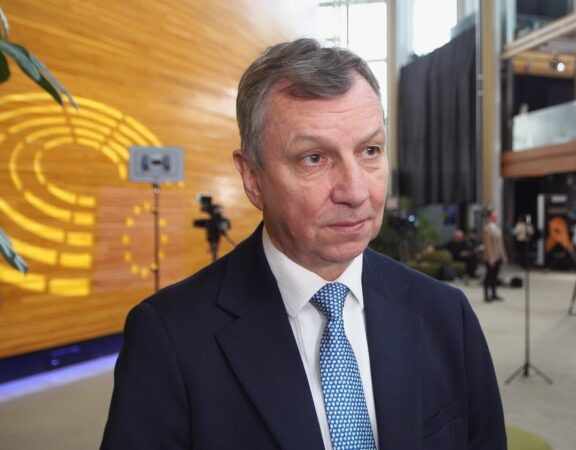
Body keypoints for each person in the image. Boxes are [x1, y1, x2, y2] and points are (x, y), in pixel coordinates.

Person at [101, 39, 506, 450]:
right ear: (253, 179)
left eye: (370, 151)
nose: (355, 191)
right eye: (314, 158)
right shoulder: (169, 338)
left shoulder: (446, 314)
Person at [482, 210, 508, 302]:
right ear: (489, 217)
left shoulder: (497, 228)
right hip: (490, 256)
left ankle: (494, 294)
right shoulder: (486, 229)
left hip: (498, 255)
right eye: (493, 216)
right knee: (489, 275)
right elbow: (488, 244)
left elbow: (501, 243)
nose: (495, 218)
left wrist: (504, 255)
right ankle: (486, 295)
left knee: (495, 276)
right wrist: (491, 258)